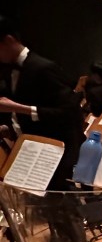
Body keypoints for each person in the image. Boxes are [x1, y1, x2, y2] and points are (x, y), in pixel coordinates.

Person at [0, 16, 84, 189]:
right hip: (30, 150)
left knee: (56, 204)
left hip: (54, 156)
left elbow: (70, 113)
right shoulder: (10, 69)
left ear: (8, 40)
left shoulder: (43, 67)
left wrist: (18, 108)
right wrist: (10, 128)